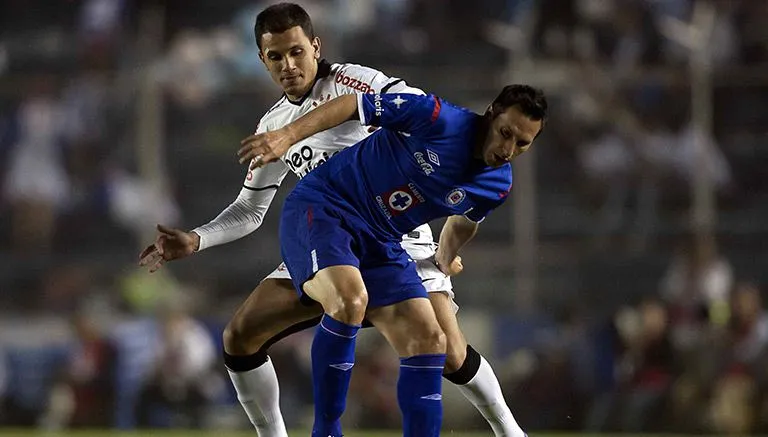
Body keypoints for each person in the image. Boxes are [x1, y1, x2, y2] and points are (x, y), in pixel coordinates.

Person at [139, 3, 525, 437]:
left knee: (448, 351)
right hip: (325, 233)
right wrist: (196, 238)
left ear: (315, 46)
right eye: (275, 56)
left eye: (296, 52)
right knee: (239, 337)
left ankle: (509, 430)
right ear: (262, 59)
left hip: (397, 238)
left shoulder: (355, 81)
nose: (288, 65)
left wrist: (446, 238)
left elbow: (417, 114)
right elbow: (250, 209)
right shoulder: (273, 124)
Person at [239, 84, 546, 436]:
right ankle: (326, 431)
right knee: (349, 300)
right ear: (492, 112)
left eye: (522, 143)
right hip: (326, 207)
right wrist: (287, 135)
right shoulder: (438, 118)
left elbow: (463, 223)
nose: (508, 149)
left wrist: (445, 260)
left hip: (382, 239)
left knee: (432, 341)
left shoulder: (497, 184)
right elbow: (354, 104)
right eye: (506, 133)